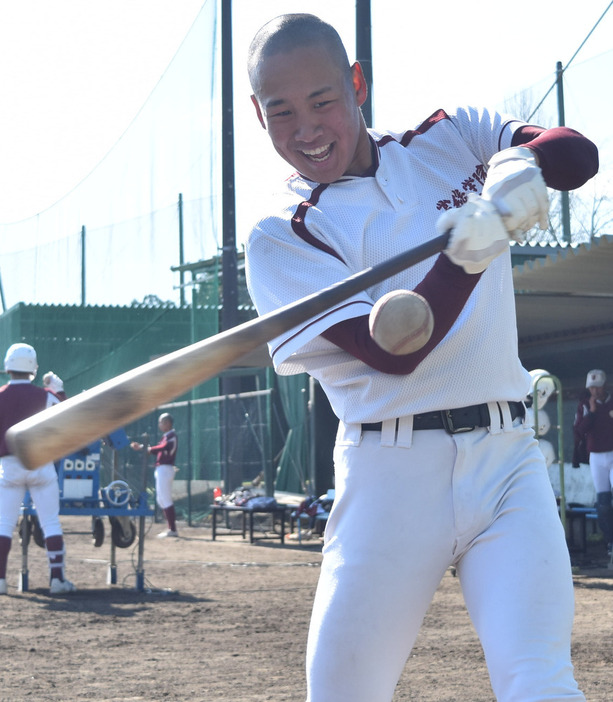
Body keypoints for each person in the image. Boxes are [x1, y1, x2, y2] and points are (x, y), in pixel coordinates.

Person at [245, 14, 599, 702]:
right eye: (281, 111)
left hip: (507, 461)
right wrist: (475, 242)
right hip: (390, 478)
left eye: (322, 101)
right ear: (258, 115)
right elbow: (391, 350)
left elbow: (575, 156)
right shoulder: (282, 235)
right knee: (343, 695)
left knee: (540, 679)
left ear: (356, 84)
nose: (306, 129)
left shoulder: (448, 136)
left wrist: (519, 164)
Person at [0, 343, 76, 594]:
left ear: (8, 367)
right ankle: (57, 580)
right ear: (33, 368)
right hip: (40, 463)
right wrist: (60, 391)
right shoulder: (45, 395)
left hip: (8, 466)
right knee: (50, 522)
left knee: (3, 524)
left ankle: (0, 581)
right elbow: (68, 420)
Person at [573, 369, 613, 554]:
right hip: (596, 455)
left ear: (604, 386)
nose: (595, 391)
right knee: (603, 501)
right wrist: (592, 412)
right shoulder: (584, 405)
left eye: (598, 387)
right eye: (591, 388)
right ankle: (609, 541)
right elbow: (579, 430)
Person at [131, 413, 179, 538]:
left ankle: (172, 529)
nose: (159, 425)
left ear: (167, 423)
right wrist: (145, 448)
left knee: (166, 498)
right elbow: (160, 449)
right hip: (161, 468)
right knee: (161, 499)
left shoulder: (171, 436)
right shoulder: (166, 436)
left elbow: (163, 448)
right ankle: (170, 527)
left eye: (161, 422)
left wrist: (144, 447)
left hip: (165, 468)